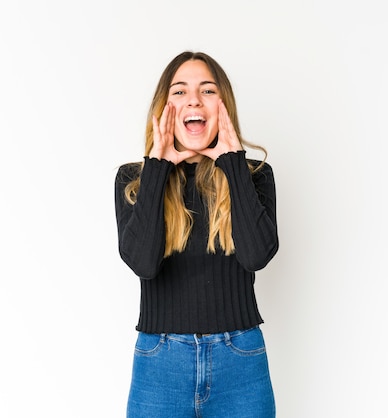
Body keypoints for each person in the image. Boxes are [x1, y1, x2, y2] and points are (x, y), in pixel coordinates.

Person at [114, 51, 279, 418]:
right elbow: (143, 262)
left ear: (223, 106)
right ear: (164, 106)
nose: (193, 99)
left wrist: (233, 165)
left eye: (207, 90)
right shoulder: (134, 181)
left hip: (240, 361)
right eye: (180, 91)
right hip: (160, 364)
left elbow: (257, 256)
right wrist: (157, 168)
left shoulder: (254, 176)